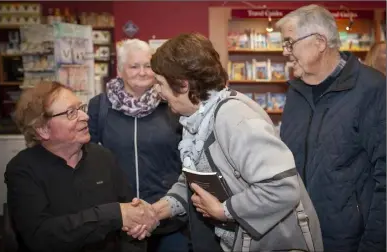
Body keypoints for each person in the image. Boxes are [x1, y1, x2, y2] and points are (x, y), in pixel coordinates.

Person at [136, 32, 323, 252]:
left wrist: (224, 211)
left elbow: (282, 188)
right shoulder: (198, 119)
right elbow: (197, 179)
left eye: (160, 83)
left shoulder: (235, 119)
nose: (157, 91)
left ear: (183, 85)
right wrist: (156, 212)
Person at [275, 4, 386, 252]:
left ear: (320, 42)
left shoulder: (372, 89)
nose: (285, 52)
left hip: (349, 241)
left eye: (290, 43)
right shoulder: (295, 92)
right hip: (298, 236)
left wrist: (374, 245)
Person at [5, 81, 159, 252]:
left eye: (81, 108)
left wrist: (139, 226)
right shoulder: (23, 170)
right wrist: (113, 215)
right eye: (71, 112)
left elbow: (130, 216)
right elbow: (41, 236)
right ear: (42, 129)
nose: (85, 117)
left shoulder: (102, 157)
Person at [87, 39, 189, 252]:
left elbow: (187, 155)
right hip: (120, 217)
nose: (142, 72)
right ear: (120, 70)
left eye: (147, 66)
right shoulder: (100, 106)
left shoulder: (171, 103)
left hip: (169, 215)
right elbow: (89, 157)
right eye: (134, 66)